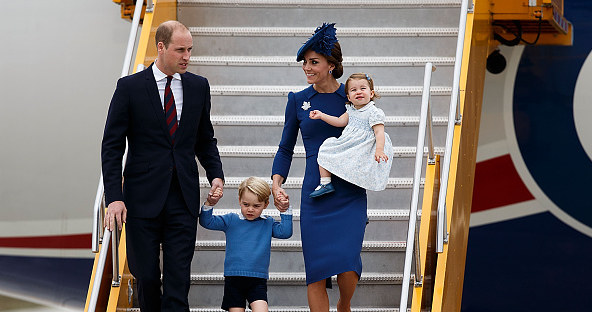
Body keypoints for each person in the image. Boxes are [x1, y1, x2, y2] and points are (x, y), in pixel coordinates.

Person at [101, 20, 224, 312]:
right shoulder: (129, 88)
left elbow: (204, 138)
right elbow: (112, 145)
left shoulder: (198, 86)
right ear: (161, 47)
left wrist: (215, 173)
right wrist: (114, 198)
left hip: (182, 196)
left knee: (178, 281)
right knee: (146, 278)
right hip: (141, 199)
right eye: (180, 50)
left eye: (190, 50)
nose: (187, 56)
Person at [271, 23, 366, 312]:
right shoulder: (298, 100)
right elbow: (285, 147)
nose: (307, 68)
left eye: (314, 62)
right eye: (305, 63)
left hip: (349, 190)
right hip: (315, 192)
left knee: (348, 265)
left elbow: (373, 130)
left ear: (331, 65)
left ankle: (344, 304)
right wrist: (276, 183)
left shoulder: (350, 98)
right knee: (316, 273)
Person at [199, 177, 293, 312]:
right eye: (246, 204)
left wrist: (285, 210)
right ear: (239, 201)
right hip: (234, 279)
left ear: (266, 204)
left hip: (257, 280)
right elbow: (206, 222)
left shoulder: (268, 223)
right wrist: (210, 203)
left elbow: (285, 232)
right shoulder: (231, 220)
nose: (250, 209)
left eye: (256, 206)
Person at [308, 73, 393, 198]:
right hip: (349, 143)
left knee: (357, 162)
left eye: (363, 88)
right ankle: (325, 183)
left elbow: (379, 132)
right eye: (354, 90)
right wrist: (322, 115)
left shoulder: (374, 112)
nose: (358, 92)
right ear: (348, 96)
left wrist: (379, 150)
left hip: (364, 146)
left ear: (371, 93)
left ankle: (353, 180)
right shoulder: (351, 110)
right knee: (326, 147)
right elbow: (339, 121)